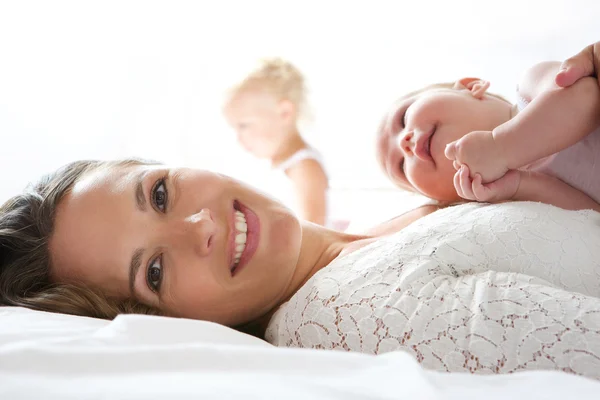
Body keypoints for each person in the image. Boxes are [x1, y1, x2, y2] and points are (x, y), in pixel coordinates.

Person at [1, 41, 600, 378]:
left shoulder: (380, 232)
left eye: (159, 194)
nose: (201, 226)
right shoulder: (351, 312)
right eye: (153, 272)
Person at [376, 46, 600, 212]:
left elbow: (586, 96)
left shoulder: (530, 88)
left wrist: (501, 148)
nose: (403, 142)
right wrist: (518, 186)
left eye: (403, 118)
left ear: (471, 86)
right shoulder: (513, 201)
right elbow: (591, 216)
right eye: (401, 167)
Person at [223, 58, 329, 226]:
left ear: (285, 113)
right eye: (234, 128)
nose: (239, 137)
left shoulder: (304, 167)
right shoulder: (275, 166)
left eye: (244, 125)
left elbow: (314, 230)